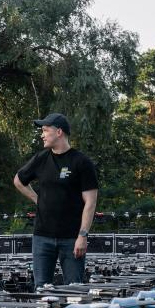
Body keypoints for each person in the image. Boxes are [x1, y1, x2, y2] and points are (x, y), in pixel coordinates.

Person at [13, 112, 98, 286]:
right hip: (42, 237)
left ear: (59, 132)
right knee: (41, 290)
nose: (42, 135)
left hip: (71, 239)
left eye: (45, 130)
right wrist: (38, 199)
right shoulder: (41, 158)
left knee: (74, 290)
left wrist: (83, 235)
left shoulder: (82, 162)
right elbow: (18, 180)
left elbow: (90, 202)